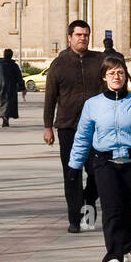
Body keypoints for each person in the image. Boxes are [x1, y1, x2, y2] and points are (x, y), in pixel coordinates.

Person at [68, 55, 131, 262]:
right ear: (104, 77)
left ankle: (125, 244)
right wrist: (74, 165)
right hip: (104, 162)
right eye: (111, 73)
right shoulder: (93, 104)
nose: (116, 77)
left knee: (129, 208)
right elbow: (83, 137)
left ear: (126, 75)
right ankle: (113, 254)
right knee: (111, 208)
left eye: (120, 72)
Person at [43, 20, 105, 233]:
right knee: (72, 173)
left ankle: (87, 198)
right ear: (69, 37)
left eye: (86, 35)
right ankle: (74, 219)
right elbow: (50, 97)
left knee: (98, 172)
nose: (83, 38)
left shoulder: (99, 60)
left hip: (96, 128)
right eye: (79, 35)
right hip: (68, 127)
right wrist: (47, 126)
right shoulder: (59, 64)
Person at [0, 48, 26, 127]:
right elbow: (19, 77)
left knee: (1, 104)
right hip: (10, 88)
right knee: (8, 105)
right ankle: (6, 118)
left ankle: (4, 117)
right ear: (11, 56)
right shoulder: (14, 65)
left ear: (4, 55)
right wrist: (22, 87)